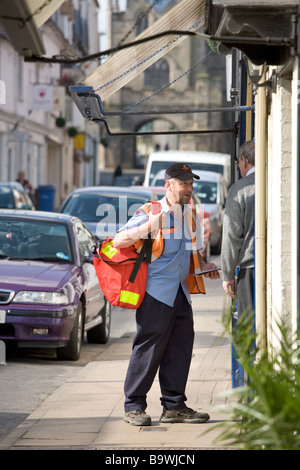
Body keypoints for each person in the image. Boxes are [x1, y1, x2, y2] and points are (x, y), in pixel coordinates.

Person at [113, 163, 220, 426]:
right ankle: (134, 406)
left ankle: (174, 406)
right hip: (156, 295)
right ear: (169, 185)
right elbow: (119, 240)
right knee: (148, 349)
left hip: (181, 293)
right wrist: (150, 225)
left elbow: (186, 255)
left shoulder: (190, 214)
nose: (189, 189)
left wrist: (204, 267)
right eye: (184, 184)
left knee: (180, 350)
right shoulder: (151, 211)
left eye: (191, 184)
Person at [221, 140, 255, 317]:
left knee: (248, 328)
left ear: (244, 160)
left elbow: (231, 236)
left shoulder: (240, 189)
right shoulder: (278, 184)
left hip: (250, 272)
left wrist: (227, 275)